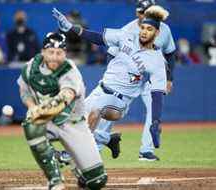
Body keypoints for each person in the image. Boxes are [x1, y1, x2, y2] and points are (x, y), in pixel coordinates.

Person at [53, 1, 175, 161]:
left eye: (149, 29)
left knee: (95, 111)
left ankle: (73, 157)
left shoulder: (157, 61)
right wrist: (71, 28)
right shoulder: (126, 35)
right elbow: (97, 38)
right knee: (72, 123)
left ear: (157, 33)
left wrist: (156, 122)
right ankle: (109, 140)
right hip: (101, 88)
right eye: (143, 28)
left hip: (119, 101)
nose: (144, 32)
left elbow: (157, 94)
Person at [17, 32, 107, 190]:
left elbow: (66, 96)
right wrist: (32, 108)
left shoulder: (70, 70)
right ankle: (55, 179)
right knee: (31, 125)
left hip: (73, 124)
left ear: (65, 54)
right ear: (43, 52)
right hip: (48, 123)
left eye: (59, 53)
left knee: (97, 181)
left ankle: (73, 162)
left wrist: (40, 111)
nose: (54, 57)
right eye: (51, 52)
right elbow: (24, 92)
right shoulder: (31, 67)